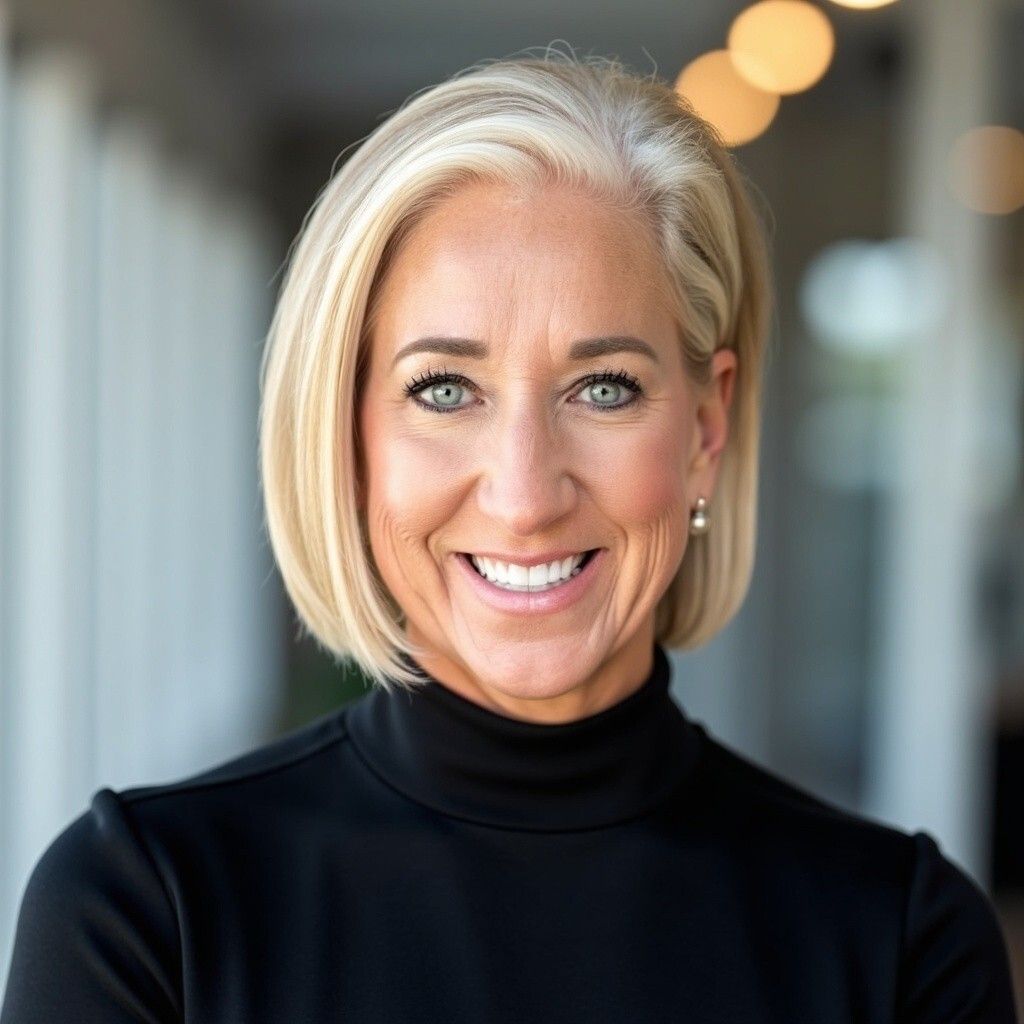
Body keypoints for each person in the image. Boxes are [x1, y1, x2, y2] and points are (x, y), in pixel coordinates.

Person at [1, 49, 1018, 1024]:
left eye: (603, 387)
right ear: (345, 436)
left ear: (706, 431)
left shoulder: (903, 943)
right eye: (445, 390)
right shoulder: (144, 915)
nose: (525, 495)